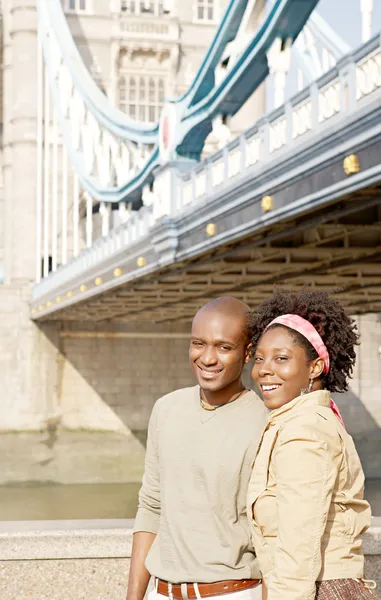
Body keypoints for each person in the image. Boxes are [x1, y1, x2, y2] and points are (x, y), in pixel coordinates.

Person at [126, 297, 267, 600]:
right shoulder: (166, 409)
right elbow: (151, 508)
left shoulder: (266, 422)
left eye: (224, 347)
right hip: (160, 593)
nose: (207, 358)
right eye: (198, 344)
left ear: (248, 353)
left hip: (232, 593)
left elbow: (274, 535)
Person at [246, 289, 374, 600]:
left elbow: (298, 547)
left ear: (315, 368)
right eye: (259, 357)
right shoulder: (296, 420)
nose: (263, 369)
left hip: (320, 590)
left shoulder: (305, 430)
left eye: (281, 358)